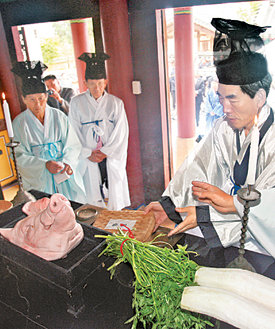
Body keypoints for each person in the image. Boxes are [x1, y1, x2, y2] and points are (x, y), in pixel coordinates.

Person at [145, 18, 275, 277]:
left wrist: (222, 207)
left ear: (259, 97)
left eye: (232, 99)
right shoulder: (223, 128)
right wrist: (171, 206)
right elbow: (198, 169)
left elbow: (267, 212)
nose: (224, 108)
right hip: (230, 235)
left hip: (263, 248)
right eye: (220, 97)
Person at [11, 61, 86, 203]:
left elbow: (73, 145)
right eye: (32, 100)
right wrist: (44, 164)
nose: (38, 104)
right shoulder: (19, 123)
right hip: (40, 179)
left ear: (46, 96)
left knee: (68, 208)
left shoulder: (59, 117)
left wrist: (68, 162)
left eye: (41, 98)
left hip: (62, 174)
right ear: (24, 100)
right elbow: (19, 157)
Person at [69, 52, 130, 210]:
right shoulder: (76, 103)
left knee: (113, 189)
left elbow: (121, 132)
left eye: (100, 84)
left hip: (109, 155)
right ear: (85, 83)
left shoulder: (115, 103)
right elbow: (73, 132)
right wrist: (87, 152)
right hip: (88, 155)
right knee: (92, 192)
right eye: (92, 84)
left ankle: (116, 215)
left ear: (106, 82)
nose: (97, 88)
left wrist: (105, 151)